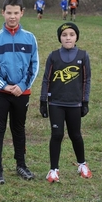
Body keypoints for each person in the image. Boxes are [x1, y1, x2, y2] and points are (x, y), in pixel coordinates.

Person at [0, 0, 39, 184]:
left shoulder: (30, 38)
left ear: (22, 13)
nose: (12, 17)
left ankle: (21, 165)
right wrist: (4, 86)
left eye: (16, 13)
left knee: (18, 129)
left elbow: (34, 65)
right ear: (3, 13)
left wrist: (22, 86)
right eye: (9, 13)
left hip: (21, 93)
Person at [40, 23, 92, 183]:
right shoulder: (53, 56)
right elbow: (46, 79)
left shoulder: (83, 56)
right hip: (56, 103)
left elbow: (86, 80)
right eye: (64, 35)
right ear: (59, 38)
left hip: (74, 104)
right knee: (57, 135)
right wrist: (43, 101)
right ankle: (53, 169)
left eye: (71, 34)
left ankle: (82, 164)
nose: (68, 37)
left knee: (75, 135)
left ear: (76, 37)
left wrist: (85, 101)